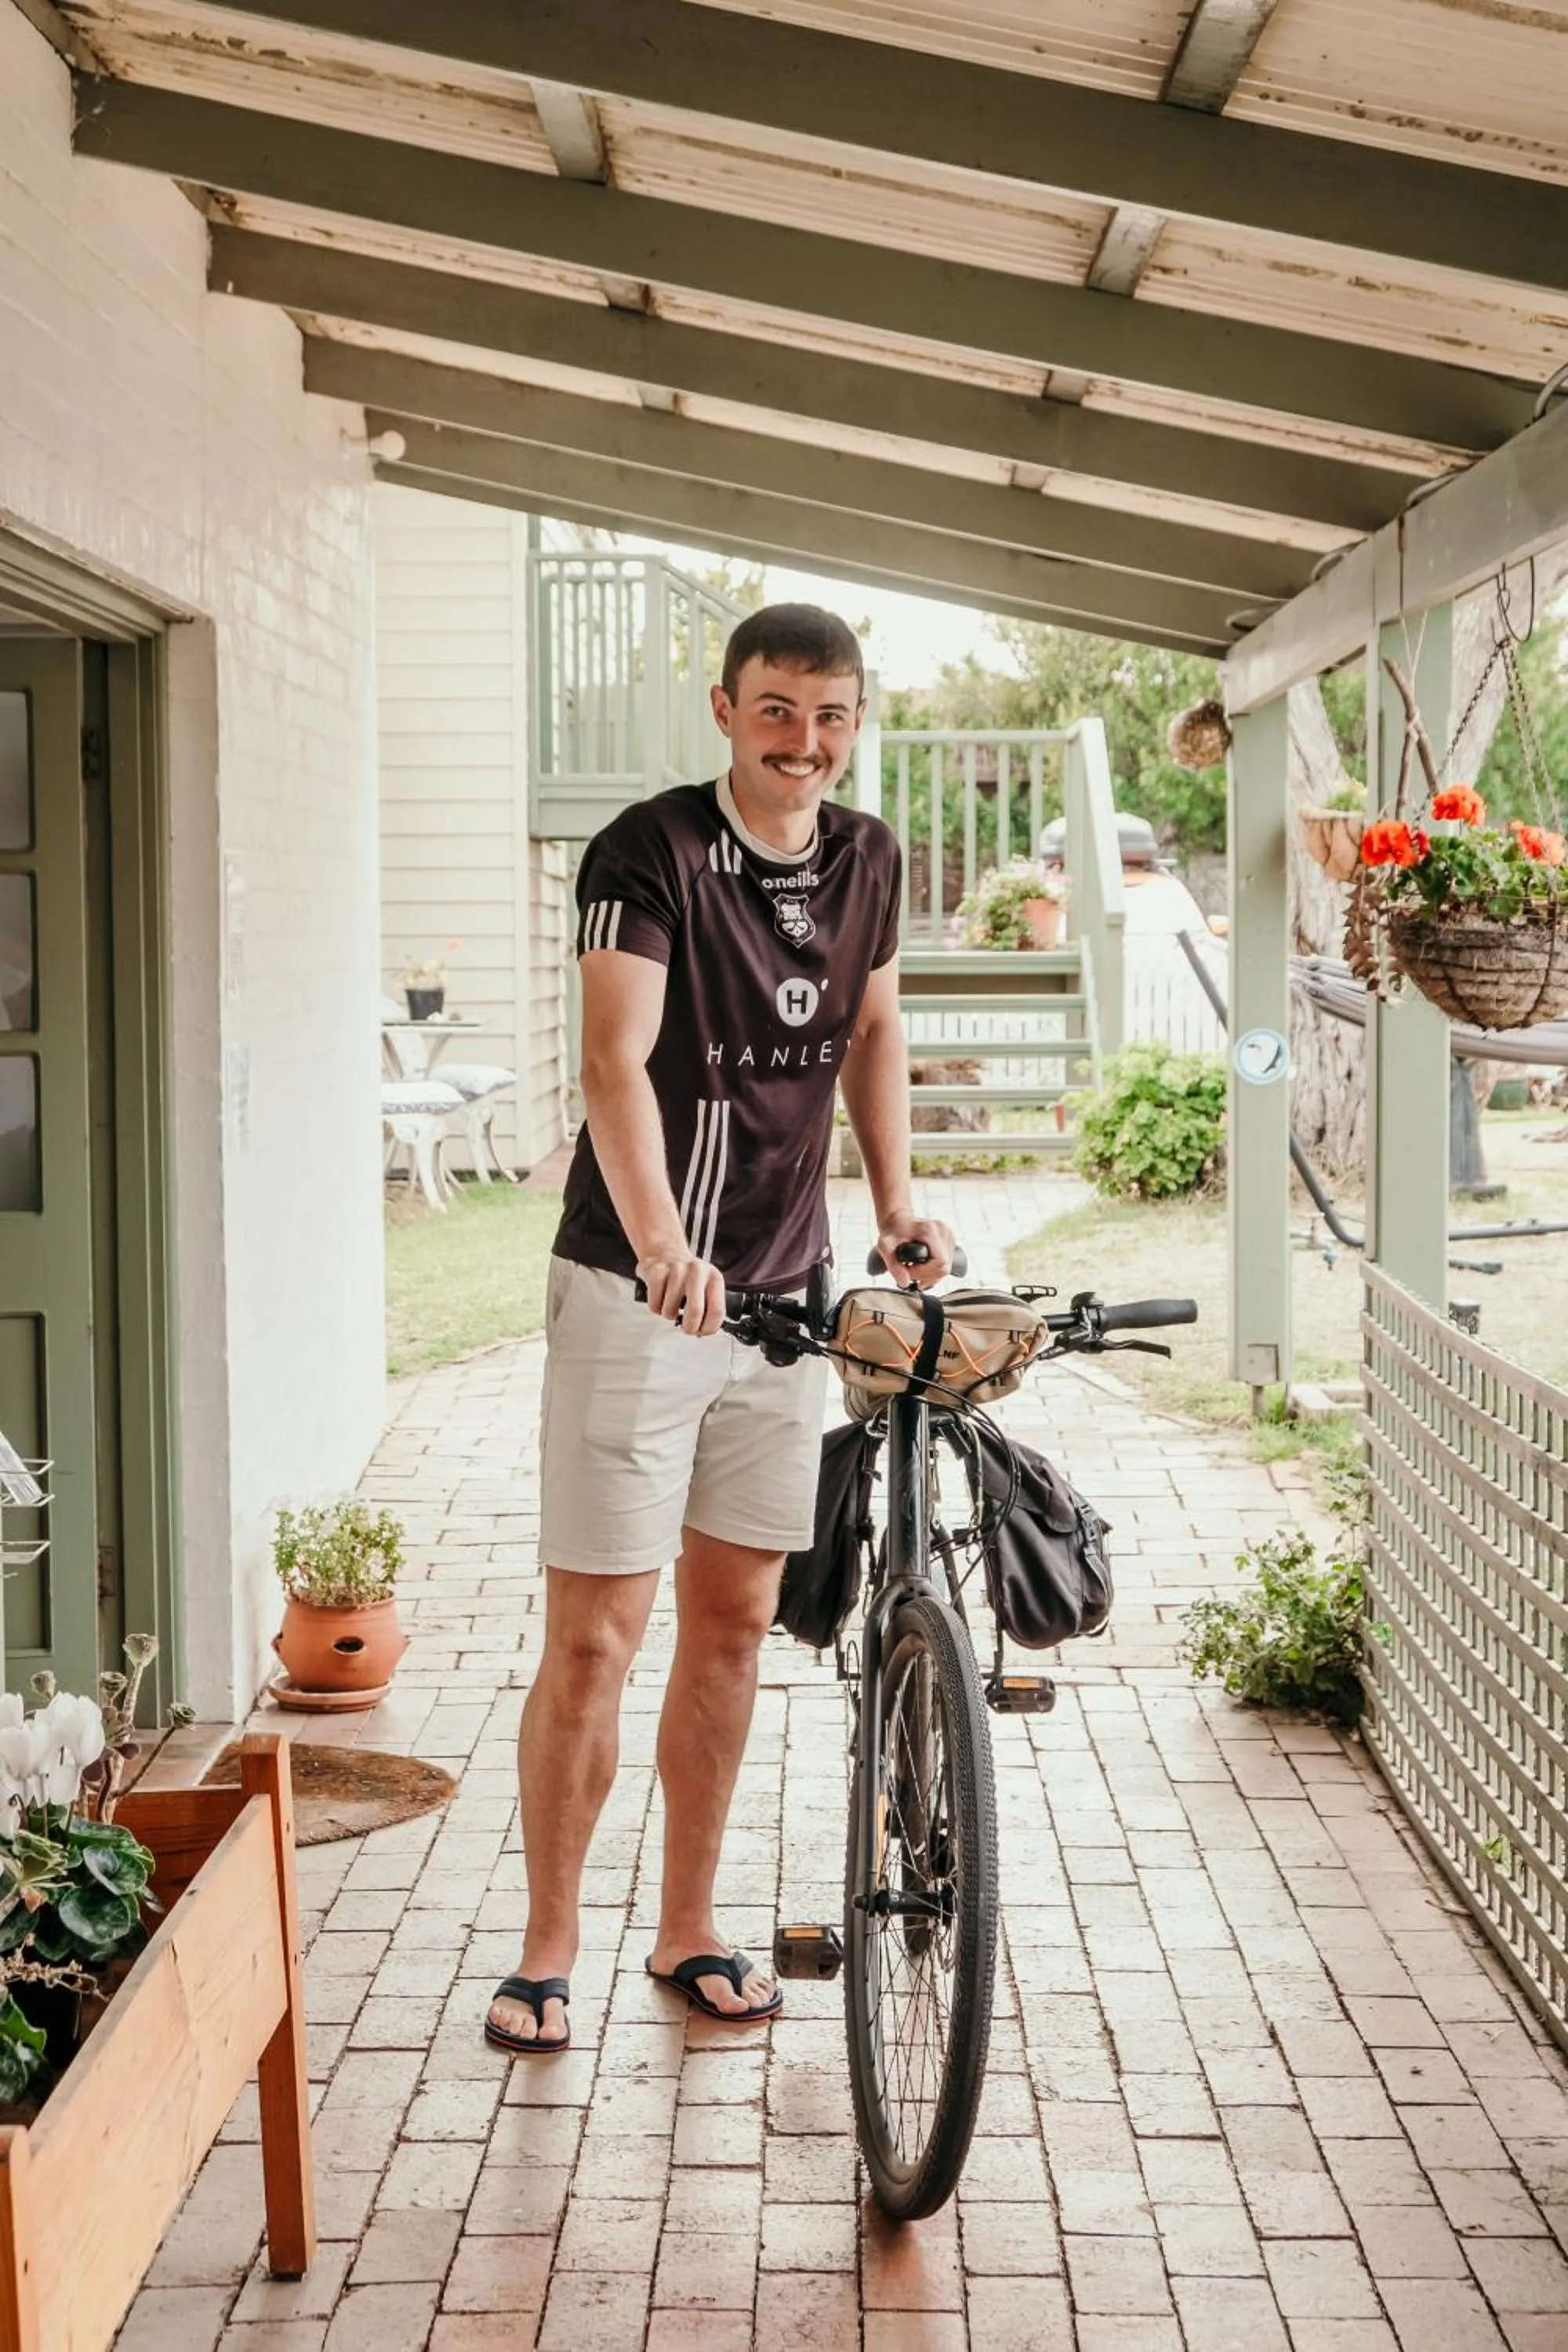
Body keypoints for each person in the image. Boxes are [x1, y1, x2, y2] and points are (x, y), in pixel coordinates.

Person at [485, 603, 954, 2055]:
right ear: (724, 708)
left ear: (855, 722)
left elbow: (873, 1033)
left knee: (738, 1623)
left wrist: (893, 1202)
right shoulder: (651, 851)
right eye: (774, 712)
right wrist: (663, 1245)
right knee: (597, 1637)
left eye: (830, 717)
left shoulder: (870, 857)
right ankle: (548, 1944)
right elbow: (611, 1064)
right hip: (641, 1292)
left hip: (784, 1293)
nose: (803, 744)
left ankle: (687, 1925)